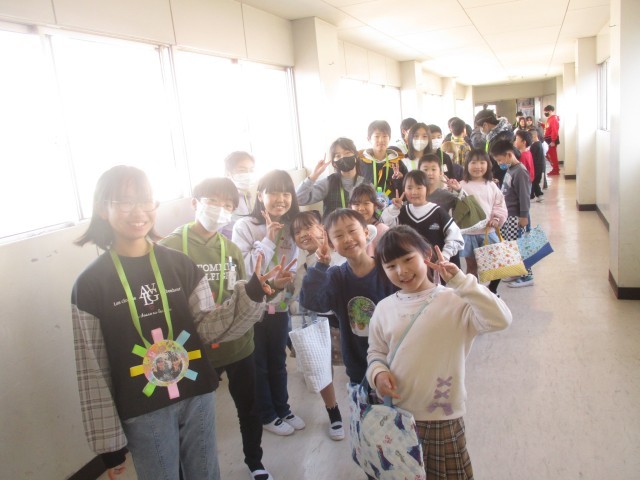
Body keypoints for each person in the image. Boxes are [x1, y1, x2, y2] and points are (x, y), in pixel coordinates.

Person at [72, 165, 280, 480]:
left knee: (206, 474)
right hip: (144, 405)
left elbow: (208, 326)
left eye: (146, 201)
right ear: (102, 208)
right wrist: (109, 444)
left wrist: (251, 293)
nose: (138, 211)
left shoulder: (180, 265)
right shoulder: (90, 284)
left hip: (197, 392)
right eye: (125, 202)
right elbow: (93, 370)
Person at [367, 226, 512, 479]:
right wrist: (377, 373)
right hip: (397, 415)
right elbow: (376, 351)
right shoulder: (383, 308)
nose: (401, 271)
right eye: (391, 266)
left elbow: (501, 320)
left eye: (408, 259)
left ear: (426, 255)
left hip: (442, 416)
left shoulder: (456, 300)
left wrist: (462, 282)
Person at [159, 177, 273, 480]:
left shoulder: (231, 249)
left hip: (238, 344)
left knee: (249, 408)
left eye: (228, 205)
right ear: (195, 203)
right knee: (193, 419)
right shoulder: (169, 248)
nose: (221, 210)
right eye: (213, 202)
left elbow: (243, 292)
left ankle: (255, 462)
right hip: (193, 350)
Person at [232, 169, 305, 436]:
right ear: (260, 196)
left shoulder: (292, 226)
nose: (280, 199)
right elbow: (245, 270)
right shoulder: (245, 226)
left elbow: (295, 264)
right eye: (273, 192)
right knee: (259, 365)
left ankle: (282, 408)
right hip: (252, 309)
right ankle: (266, 414)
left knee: (278, 361)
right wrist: (268, 240)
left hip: (279, 306)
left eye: (286, 193)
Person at [299, 209, 397, 388]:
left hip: (394, 362)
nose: (347, 238)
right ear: (332, 243)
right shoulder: (336, 276)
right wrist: (320, 266)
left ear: (366, 233)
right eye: (338, 235)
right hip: (358, 368)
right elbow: (312, 302)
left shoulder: (387, 271)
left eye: (352, 231)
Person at [289, 210, 345, 441]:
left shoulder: (340, 251)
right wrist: (293, 304)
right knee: (323, 370)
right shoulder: (300, 264)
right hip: (316, 323)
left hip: (345, 322)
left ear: (322, 228)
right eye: (297, 231)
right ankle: (334, 412)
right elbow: (297, 296)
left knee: (355, 365)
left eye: (308, 227)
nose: (303, 234)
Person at [380, 169, 464, 264]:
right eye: (409, 188)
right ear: (404, 190)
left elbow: (455, 237)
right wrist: (394, 208)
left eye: (419, 188)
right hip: (409, 267)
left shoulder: (438, 212)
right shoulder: (400, 212)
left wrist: (444, 256)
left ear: (427, 189)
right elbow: (385, 226)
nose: (414, 192)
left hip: (434, 267)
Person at [459, 149, 508, 293]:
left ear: (488, 165)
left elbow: (499, 204)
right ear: (467, 165)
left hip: (489, 232)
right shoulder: (462, 185)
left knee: (496, 265)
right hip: (469, 234)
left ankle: (492, 290)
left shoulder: (491, 185)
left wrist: (496, 218)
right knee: (472, 266)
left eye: (482, 162)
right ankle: (473, 293)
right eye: (473, 162)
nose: (478, 166)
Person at [490, 140, 534, 288]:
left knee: (520, 246)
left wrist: (524, 216)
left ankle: (527, 275)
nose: (499, 164)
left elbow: (524, 196)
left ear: (509, 155)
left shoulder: (520, 171)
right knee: (510, 246)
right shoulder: (511, 169)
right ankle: (517, 271)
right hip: (509, 215)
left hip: (517, 216)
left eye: (500, 160)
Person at [296, 137, 366, 218]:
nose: (343, 157)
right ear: (334, 163)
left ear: (356, 156)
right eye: (338, 155)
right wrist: (314, 175)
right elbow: (298, 199)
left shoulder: (366, 184)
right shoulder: (328, 183)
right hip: (332, 226)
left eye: (347, 153)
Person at [358, 120, 406, 201]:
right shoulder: (361, 162)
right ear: (369, 139)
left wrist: (399, 180)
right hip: (367, 205)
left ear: (389, 138)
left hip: (392, 205)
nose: (381, 140)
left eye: (385, 136)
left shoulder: (397, 162)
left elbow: (405, 190)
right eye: (377, 136)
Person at [470, 108, 517, 187]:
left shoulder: (502, 138)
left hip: (503, 178)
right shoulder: (493, 136)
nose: (480, 130)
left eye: (480, 127)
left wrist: (493, 177)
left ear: (485, 125)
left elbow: (503, 163)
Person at [222, 151, 257, 239]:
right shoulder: (224, 197)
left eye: (251, 170)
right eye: (242, 170)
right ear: (228, 173)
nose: (248, 174)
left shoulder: (249, 195)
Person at [349, 183, 389, 257]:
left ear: (375, 206)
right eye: (356, 204)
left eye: (366, 203)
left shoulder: (383, 230)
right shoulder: (348, 230)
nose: (361, 208)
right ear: (351, 207)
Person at [528, 129, 546, 201]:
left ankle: (535, 195)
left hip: (536, 167)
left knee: (534, 182)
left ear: (534, 136)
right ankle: (536, 194)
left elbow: (531, 157)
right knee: (535, 182)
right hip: (539, 166)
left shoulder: (535, 145)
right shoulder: (539, 144)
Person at [543, 105, 560, 175]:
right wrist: (542, 125)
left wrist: (553, 141)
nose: (545, 113)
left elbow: (554, 130)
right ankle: (555, 168)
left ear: (550, 111)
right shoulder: (550, 119)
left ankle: (555, 169)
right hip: (548, 139)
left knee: (552, 155)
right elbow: (548, 128)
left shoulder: (553, 119)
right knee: (549, 154)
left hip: (551, 140)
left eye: (546, 111)